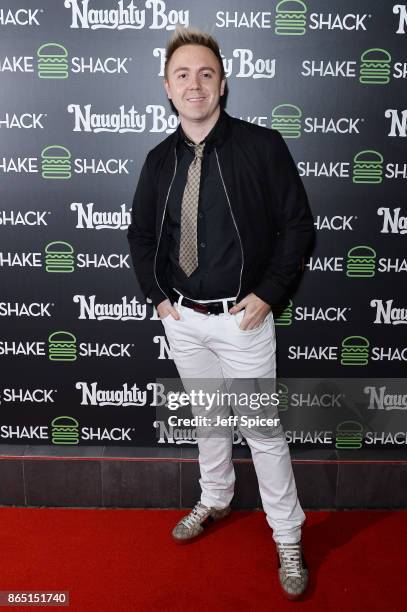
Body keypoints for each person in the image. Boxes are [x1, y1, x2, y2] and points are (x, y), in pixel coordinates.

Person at [127, 26, 314, 600]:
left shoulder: (262, 147)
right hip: (184, 321)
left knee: (261, 429)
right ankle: (215, 497)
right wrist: (159, 299)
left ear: (223, 84)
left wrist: (268, 294)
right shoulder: (160, 161)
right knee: (208, 420)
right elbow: (140, 237)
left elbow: (298, 227)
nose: (195, 84)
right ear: (166, 87)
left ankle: (287, 535)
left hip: (242, 323)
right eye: (182, 74)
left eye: (206, 73)